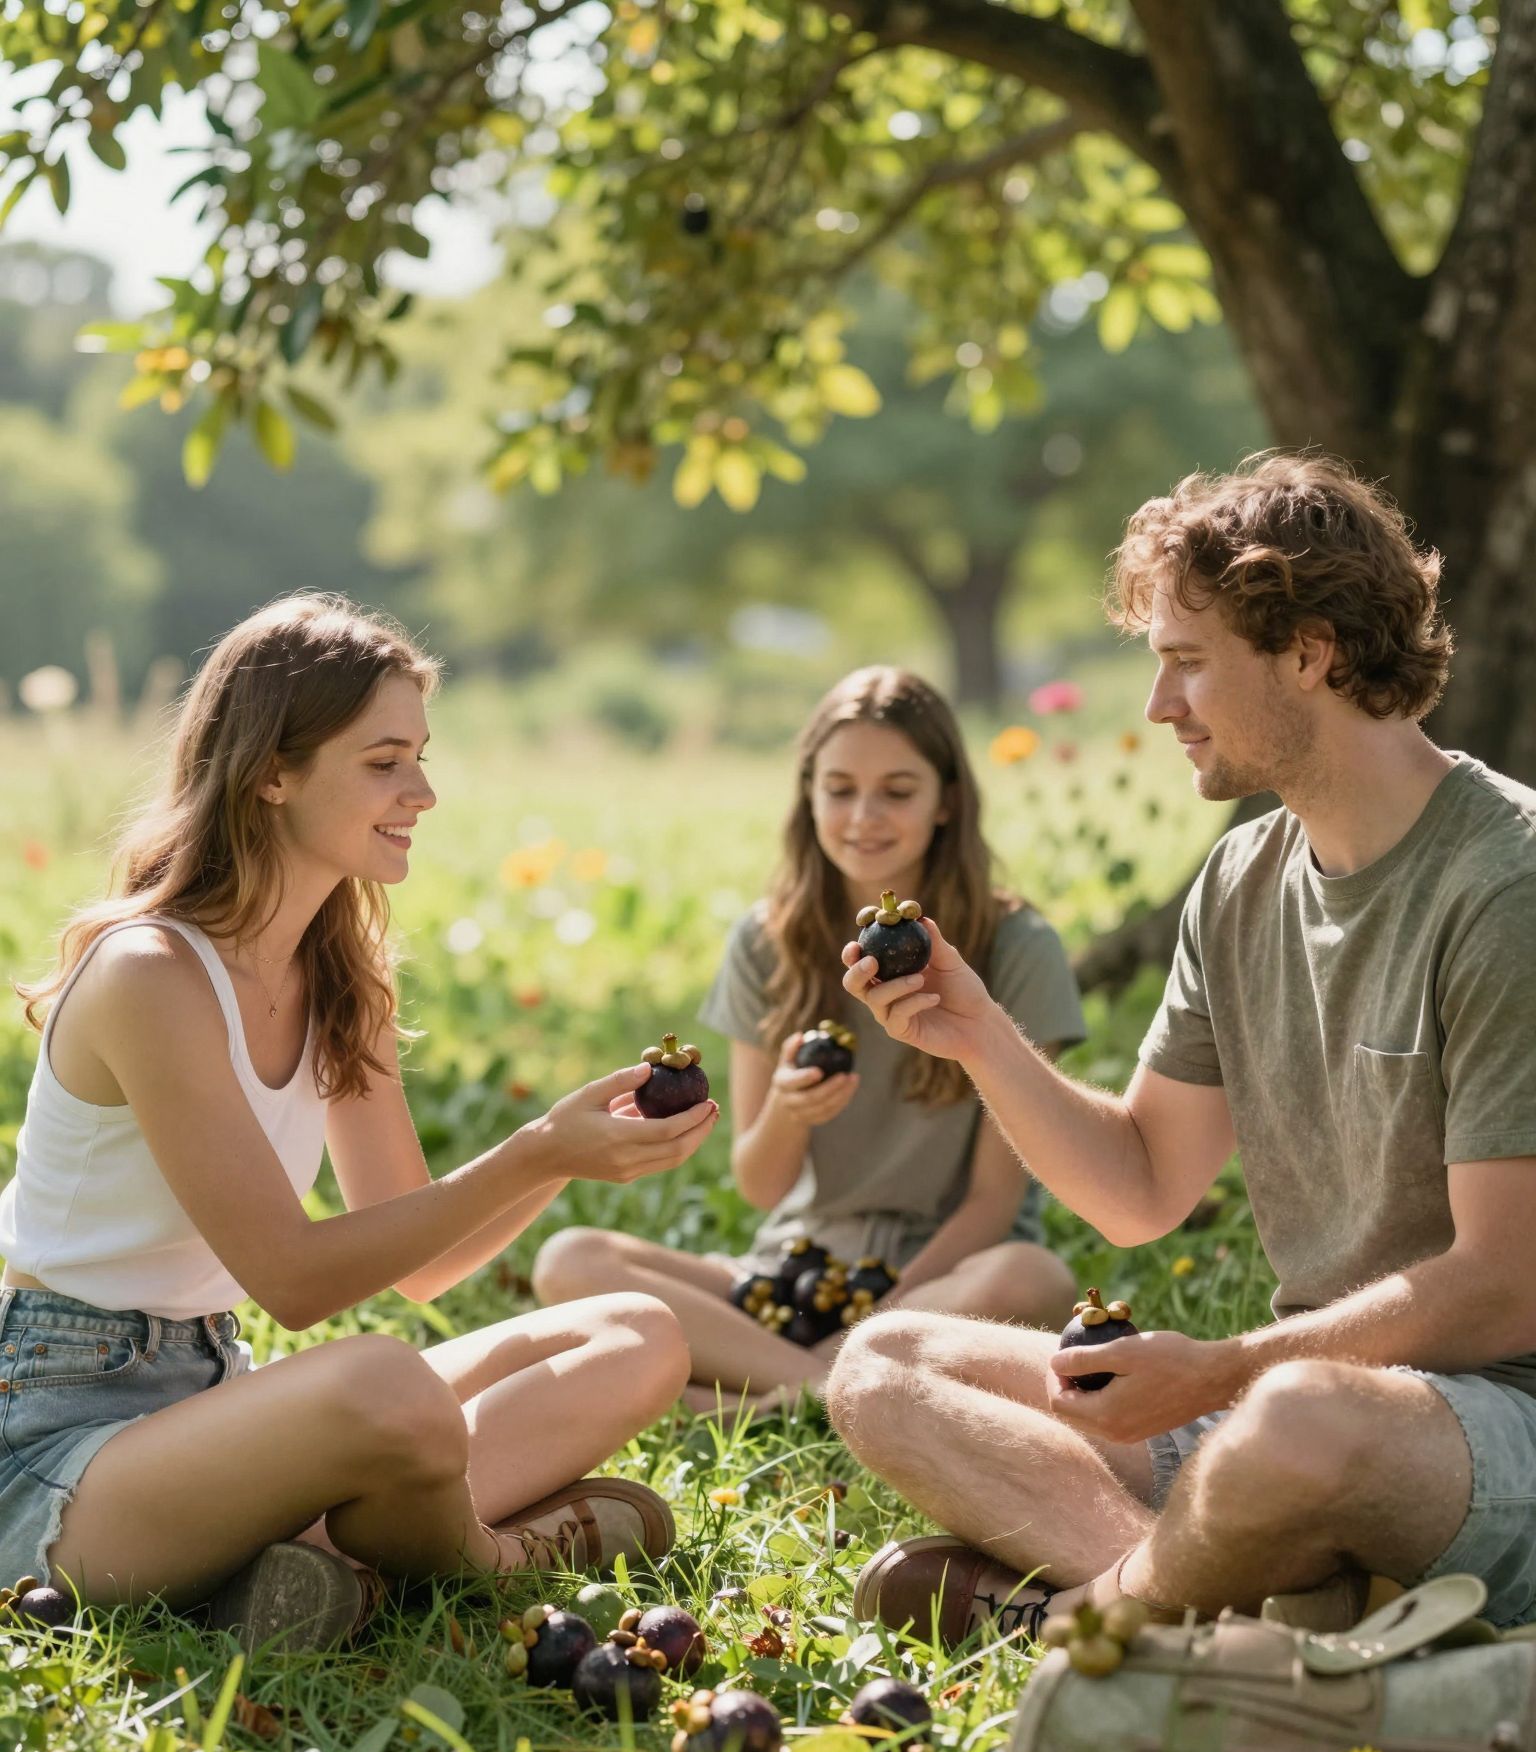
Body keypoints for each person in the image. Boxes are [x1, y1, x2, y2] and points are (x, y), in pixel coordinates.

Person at [827, 452, 1536, 1645]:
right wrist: (978, 1034)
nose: (1159, 708)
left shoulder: (1506, 883)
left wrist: (1220, 1372)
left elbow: (1505, 1281)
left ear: (1310, 652)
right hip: (1286, 1411)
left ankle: (1089, 1616)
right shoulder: (1243, 878)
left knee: (1302, 1420)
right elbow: (1143, 1184)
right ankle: (1228, 1602)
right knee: (884, 1364)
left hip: (1475, 1421)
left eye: (1188, 664)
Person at [0, 595, 717, 1648]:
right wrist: (533, 1146)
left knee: (640, 1331)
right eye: (385, 761)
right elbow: (293, 1279)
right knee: (382, 1382)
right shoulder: (151, 974)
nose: (422, 791)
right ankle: (497, 1555)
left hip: (216, 1398)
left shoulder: (337, 972)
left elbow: (420, 1257)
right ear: (271, 771)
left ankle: (316, 1565)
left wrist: (564, 1157)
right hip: (60, 1445)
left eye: (420, 756)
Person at [533, 666, 1085, 1411]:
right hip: (791, 1274)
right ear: (809, 795)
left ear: (947, 800)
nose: (864, 815)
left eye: (897, 790)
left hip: (944, 1278)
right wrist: (790, 1115)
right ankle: (826, 1394)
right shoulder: (769, 942)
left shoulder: (1016, 945)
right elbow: (760, 1185)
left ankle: (748, 1395)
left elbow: (992, 1201)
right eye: (839, 789)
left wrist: (876, 1321)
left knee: (1034, 1278)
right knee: (572, 1259)